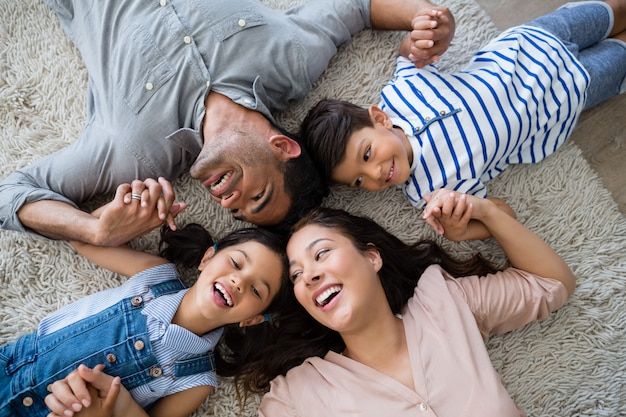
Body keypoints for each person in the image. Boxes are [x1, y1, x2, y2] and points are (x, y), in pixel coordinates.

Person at [45, 189, 577, 417]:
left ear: (371, 258)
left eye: (321, 254)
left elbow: (552, 285)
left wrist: (487, 215)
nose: (310, 274)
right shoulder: (300, 395)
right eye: (298, 275)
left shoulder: (446, 300)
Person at [0, 0, 455, 246]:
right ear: (283, 147)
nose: (227, 201)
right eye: (257, 195)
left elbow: (12, 193)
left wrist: (94, 230)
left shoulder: (135, 152)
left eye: (237, 211)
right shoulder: (291, 61)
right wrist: (427, 18)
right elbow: (359, 6)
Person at [300, 0, 626, 240]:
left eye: (367, 154)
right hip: (565, 95)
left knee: (612, 12)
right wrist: (461, 228)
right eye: (360, 181)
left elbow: (411, 54)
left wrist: (421, 36)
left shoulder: (401, 94)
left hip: (531, 43)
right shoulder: (432, 193)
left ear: (379, 118)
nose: (374, 175)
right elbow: (504, 215)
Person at [0, 187, 292, 417]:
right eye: (236, 263)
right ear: (207, 258)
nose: (239, 282)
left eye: (257, 291)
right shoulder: (155, 275)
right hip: (11, 364)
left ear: (252, 319)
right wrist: (133, 207)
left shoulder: (197, 381)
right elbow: (84, 239)